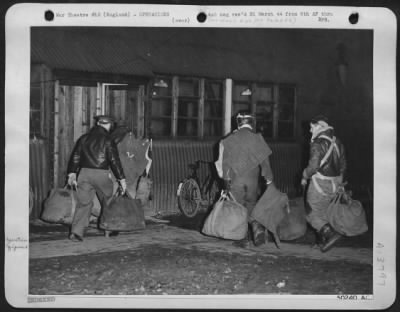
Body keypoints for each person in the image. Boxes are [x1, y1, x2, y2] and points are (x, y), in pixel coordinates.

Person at [215, 112, 274, 248]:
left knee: (239, 208)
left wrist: (225, 181)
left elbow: (225, 164)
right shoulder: (258, 138)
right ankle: (257, 226)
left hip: (236, 179)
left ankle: (243, 239)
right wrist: (268, 180)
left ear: (238, 123)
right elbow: (265, 162)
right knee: (251, 204)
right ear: (252, 122)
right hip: (253, 179)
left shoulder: (229, 140)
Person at [66, 115, 127, 242]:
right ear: (109, 125)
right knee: (108, 201)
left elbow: (76, 156)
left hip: (84, 174)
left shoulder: (84, 138)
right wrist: (121, 179)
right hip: (101, 174)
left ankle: (76, 233)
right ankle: (109, 230)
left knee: (83, 203)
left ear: (98, 124)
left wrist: (72, 173)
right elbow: (114, 161)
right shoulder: (108, 140)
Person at [301, 115, 347, 252]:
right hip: (335, 183)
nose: (310, 130)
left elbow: (314, 166)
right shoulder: (337, 142)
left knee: (311, 214)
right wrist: (339, 184)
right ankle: (321, 241)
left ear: (320, 126)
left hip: (319, 183)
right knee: (323, 213)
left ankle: (331, 234)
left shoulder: (317, 143)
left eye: (312, 127)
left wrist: (304, 175)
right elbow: (343, 166)